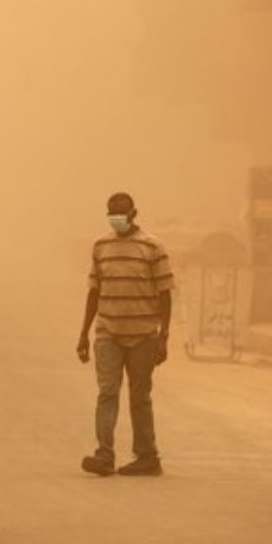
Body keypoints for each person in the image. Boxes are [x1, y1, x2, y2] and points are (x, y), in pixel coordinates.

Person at [76, 192, 175, 477]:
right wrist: (83, 334)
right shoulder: (101, 246)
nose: (116, 218)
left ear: (134, 214)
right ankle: (104, 455)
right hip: (108, 332)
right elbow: (94, 292)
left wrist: (163, 336)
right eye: (111, 213)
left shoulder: (153, 247)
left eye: (120, 213)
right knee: (107, 393)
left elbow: (165, 294)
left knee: (139, 396)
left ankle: (147, 456)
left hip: (143, 334)